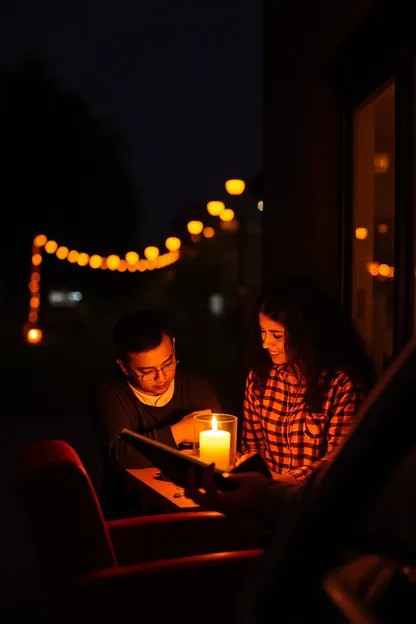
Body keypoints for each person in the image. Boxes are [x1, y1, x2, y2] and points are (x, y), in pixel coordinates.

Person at [240, 275, 376, 483]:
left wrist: (282, 482)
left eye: (276, 335)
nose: (266, 343)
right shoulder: (260, 378)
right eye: (262, 331)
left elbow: (339, 460)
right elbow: (252, 445)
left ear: (304, 333)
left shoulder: (341, 385)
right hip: (265, 501)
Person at [95, 308, 222, 516]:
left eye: (168, 363)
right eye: (147, 371)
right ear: (124, 367)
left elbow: (216, 455)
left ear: (173, 345)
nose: (161, 377)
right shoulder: (112, 394)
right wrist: (179, 432)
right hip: (129, 510)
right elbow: (120, 455)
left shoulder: (196, 388)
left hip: (189, 508)